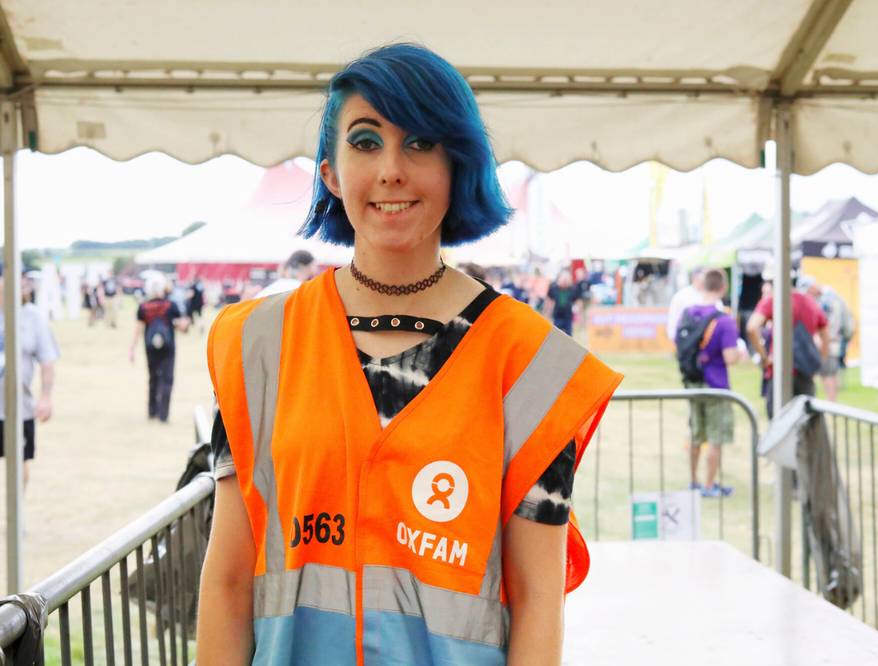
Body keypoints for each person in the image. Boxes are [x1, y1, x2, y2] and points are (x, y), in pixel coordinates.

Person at [197, 44, 623, 666]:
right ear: (331, 173)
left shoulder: (530, 363)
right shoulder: (257, 345)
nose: (392, 169)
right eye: (366, 142)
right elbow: (228, 579)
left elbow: (538, 600)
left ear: (458, 164)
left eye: (420, 142)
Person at [677, 269, 740, 498]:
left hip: (692, 383)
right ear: (723, 288)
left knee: (695, 433)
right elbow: (731, 357)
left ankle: (692, 481)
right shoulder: (723, 320)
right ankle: (709, 485)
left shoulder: (687, 313)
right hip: (716, 385)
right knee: (715, 437)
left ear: (701, 285)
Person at [0, 270, 60, 489]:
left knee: (19, 463)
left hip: (18, 409)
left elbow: (47, 360)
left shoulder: (32, 316)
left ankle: (16, 518)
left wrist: (45, 396)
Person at [746, 276, 830, 419]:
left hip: (780, 371)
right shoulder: (809, 301)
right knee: (805, 421)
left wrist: (765, 358)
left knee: (779, 422)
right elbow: (825, 334)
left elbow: (752, 328)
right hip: (805, 371)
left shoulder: (775, 300)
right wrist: (819, 358)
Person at [129, 272, 189, 423]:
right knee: (167, 379)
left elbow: (138, 329)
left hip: (149, 348)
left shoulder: (143, 307)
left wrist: (132, 349)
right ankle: (164, 415)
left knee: (153, 378)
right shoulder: (171, 305)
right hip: (169, 348)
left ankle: (152, 412)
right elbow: (183, 326)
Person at [798, 275, 849, 402]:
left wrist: (822, 340)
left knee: (827, 373)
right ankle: (833, 403)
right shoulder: (830, 296)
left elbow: (827, 324)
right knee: (832, 372)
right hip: (834, 341)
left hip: (828, 342)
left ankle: (831, 403)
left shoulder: (825, 300)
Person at [667, 266, 708, 341]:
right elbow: (674, 318)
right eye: (703, 277)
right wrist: (674, 338)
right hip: (686, 340)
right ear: (693, 277)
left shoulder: (711, 296)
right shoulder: (681, 296)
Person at [546, 269, 578, 337]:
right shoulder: (554, 288)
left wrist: (578, 315)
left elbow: (576, 301)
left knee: (569, 336)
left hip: (568, 316)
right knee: (556, 336)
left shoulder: (572, 290)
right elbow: (549, 301)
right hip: (557, 316)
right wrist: (547, 313)